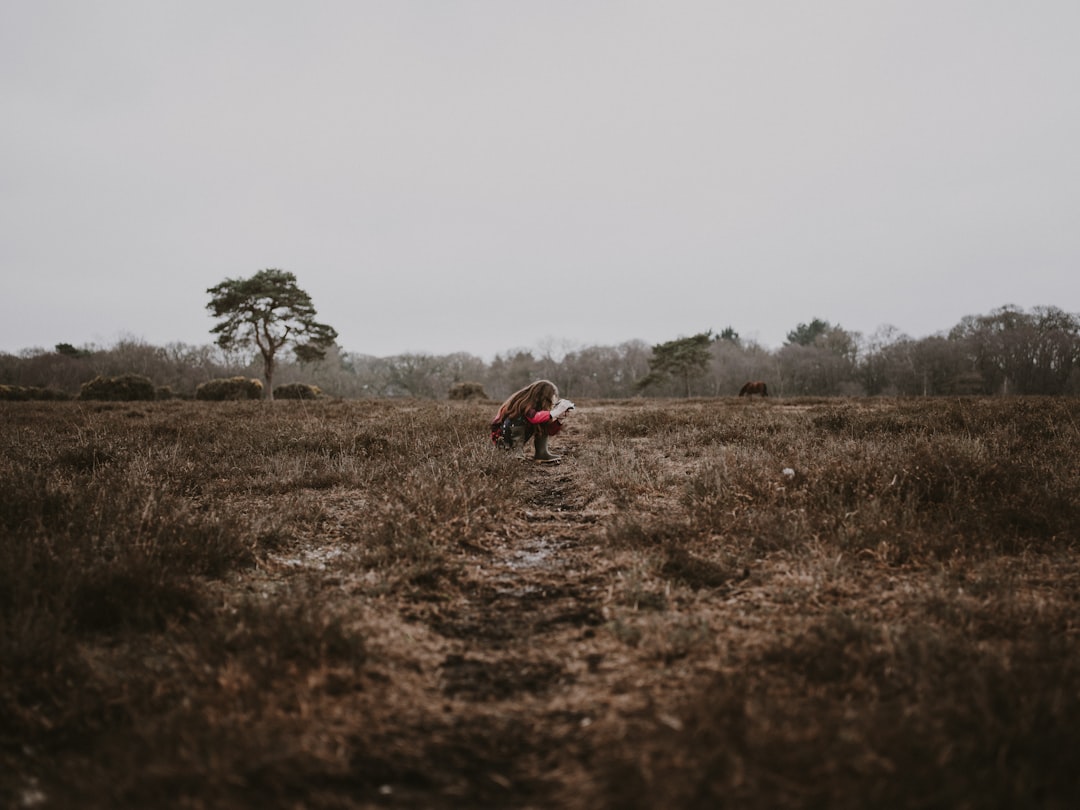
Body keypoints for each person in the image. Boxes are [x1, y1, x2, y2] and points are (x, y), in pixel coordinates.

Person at [490, 379, 573, 462]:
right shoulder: (522, 404)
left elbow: (549, 431)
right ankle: (514, 452)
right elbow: (534, 418)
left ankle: (542, 453)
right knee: (519, 417)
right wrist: (555, 412)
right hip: (502, 439)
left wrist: (560, 419)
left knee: (543, 419)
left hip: (515, 437)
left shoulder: (539, 408)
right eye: (552, 396)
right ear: (544, 396)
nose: (553, 400)